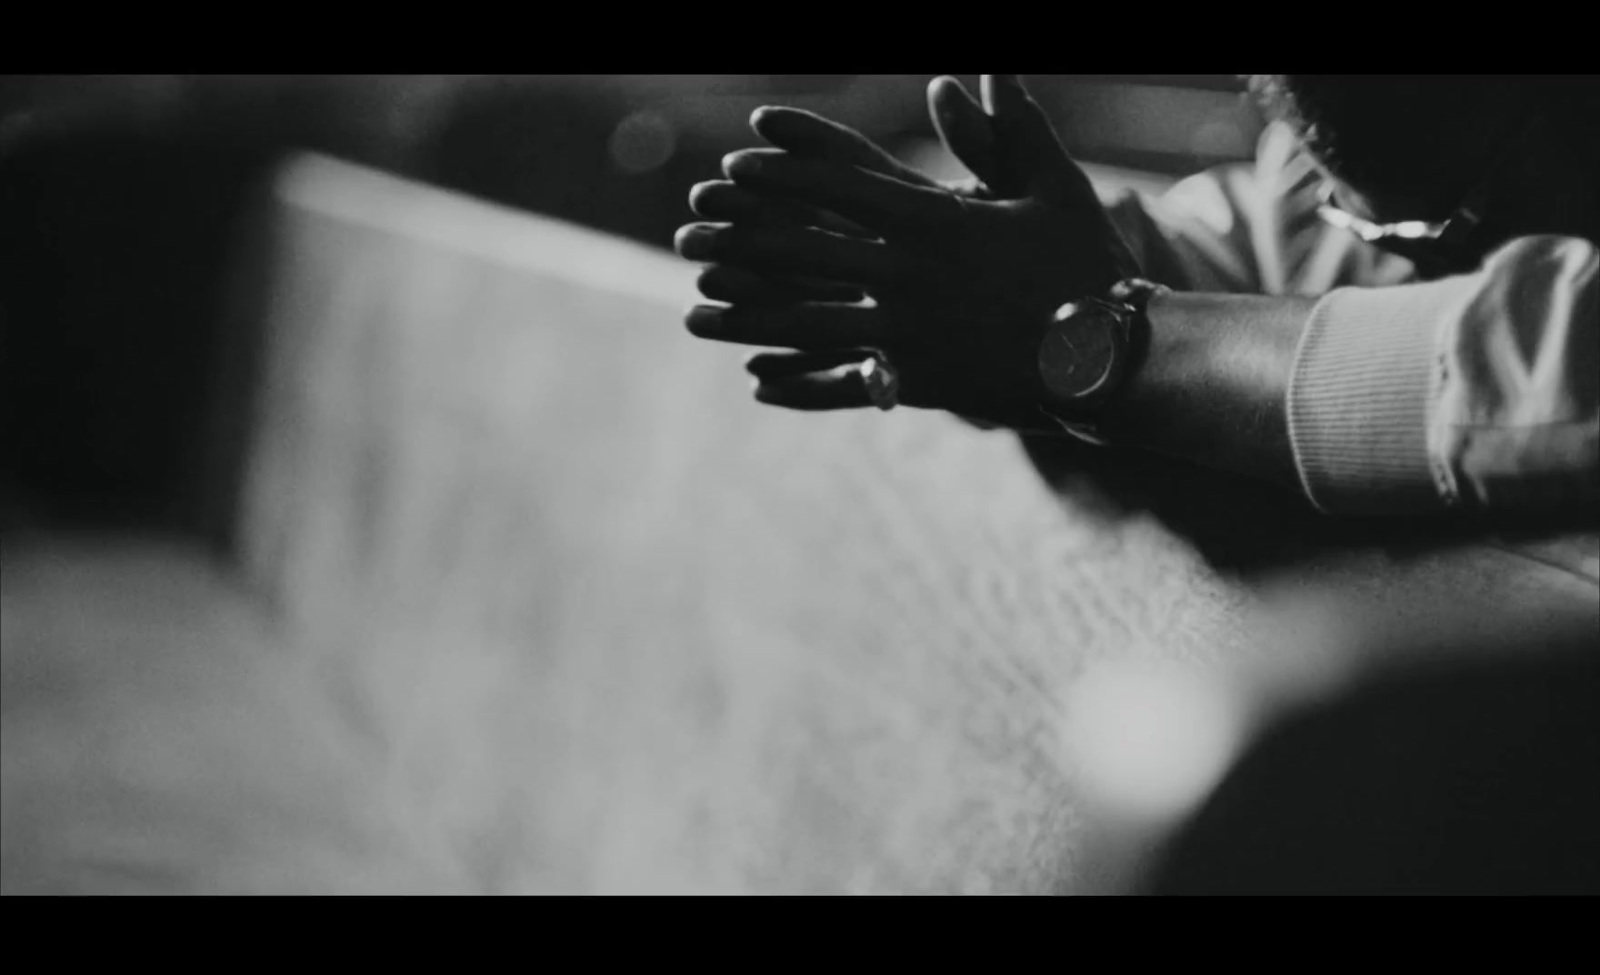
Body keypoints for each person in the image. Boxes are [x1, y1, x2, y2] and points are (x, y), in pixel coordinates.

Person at [673, 75, 1598, 525]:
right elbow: (1256, 234)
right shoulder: (1334, 172)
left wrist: (1110, 343)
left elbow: (1557, 357)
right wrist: (977, 266)